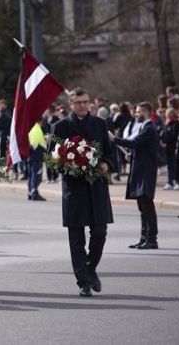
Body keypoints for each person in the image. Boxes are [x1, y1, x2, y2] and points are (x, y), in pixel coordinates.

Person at [51, 88, 114, 297]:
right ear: (71, 104)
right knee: (76, 239)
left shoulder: (99, 124)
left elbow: (109, 152)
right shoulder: (60, 127)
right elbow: (52, 161)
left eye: (86, 102)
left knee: (100, 233)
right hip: (74, 190)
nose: (83, 106)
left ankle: (90, 267)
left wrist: (106, 164)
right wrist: (70, 167)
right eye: (78, 102)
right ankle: (83, 282)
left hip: (97, 188)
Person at [109, 102, 160, 249]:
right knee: (142, 207)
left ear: (145, 112)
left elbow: (135, 142)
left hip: (145, 173)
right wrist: (132, 155)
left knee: (147, 206)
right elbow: (140, 147)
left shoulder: (149, 128)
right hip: (139, 171)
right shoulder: (144, 127)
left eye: (138, 112)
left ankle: (152, 239)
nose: (135, 114)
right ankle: (144, 237)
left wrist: (114, 139)